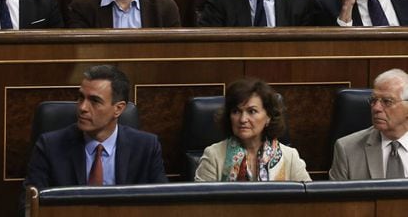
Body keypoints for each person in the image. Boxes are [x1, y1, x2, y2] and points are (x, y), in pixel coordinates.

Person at [23, 64, 167, 189]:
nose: (82, 107)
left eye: (94, 101)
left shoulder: (146, 147)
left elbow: (162, 205)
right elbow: (30, 205)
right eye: (81, 98)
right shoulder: (50, 147)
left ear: (118, 109)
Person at [194, 77, 311, 181]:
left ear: (268, 117)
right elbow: (200, 203)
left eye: (252, 111)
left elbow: (309, 202)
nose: (243, 119)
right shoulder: (213, 156)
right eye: (236, 111)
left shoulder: (290, 157)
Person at [330, 68, 408, 180]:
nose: (376, 108)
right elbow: (336, 197)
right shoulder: (347, 149)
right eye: (373, 100)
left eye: (387, 101)